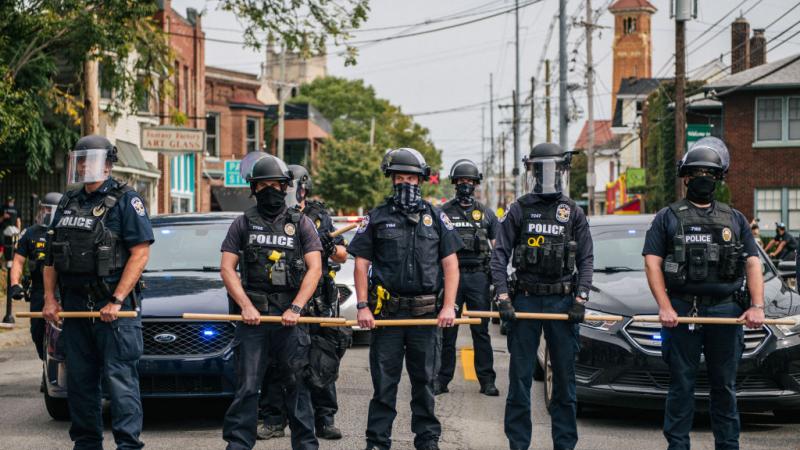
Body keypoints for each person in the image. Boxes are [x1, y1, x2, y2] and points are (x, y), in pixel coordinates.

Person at [642, 136, 765, 450]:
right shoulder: (667, 217)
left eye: (710, 174)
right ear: (686, 177)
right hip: (683, 311)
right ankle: (678, 446)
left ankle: (728, 445)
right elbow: (652, 263)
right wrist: (665, 307)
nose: (703, 179)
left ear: (719, 178)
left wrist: (757, 306)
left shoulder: (735, 219)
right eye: (697, 173)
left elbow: (753, 264)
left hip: (726, 312)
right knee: (681, 386)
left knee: (724, 387)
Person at [42, 135, 153, 449]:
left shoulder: (126, 200)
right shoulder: (68, 201)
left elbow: (140, 253)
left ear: (107, 163)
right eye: (79, 159)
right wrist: (51, 299)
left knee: (120, 383)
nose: (83, 164)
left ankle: (128, 445)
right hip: (76, 309)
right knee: (80, 383)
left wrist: (117, 299)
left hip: (114, 311)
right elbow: (51, 256)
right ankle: (86, 444)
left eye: (89, 158)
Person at [348, 147, 462, 450]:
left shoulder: (436, 217)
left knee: (425, 383)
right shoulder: (377, 217)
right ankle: (377, 441)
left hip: (425, 317)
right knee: (384, 385)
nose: (406, 183)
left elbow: (450, 265)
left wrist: (449, 305)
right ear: (392, 180)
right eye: (400, 178)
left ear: (421, 180)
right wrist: (362, 306)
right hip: (387, 317)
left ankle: (427, 440)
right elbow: (361, 263)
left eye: (411, 178)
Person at [490, 142, 593, 450]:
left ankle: (565, 445)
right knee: (520, 381)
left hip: (562, 302)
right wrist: (504, 297)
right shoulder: (519, 208)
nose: (547, 175)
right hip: (525, 301)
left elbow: (586, 258)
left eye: (553, 169)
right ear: (532, 171)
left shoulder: (573, 211)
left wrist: (581, 299)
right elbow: (499, 255)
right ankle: (518, 444)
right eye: (540, 169)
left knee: (564, 380)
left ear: (562, 171)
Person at [219, 152, 322, 450]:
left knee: (297, 386)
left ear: (286, 187)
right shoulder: (242, 224)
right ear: (253, 189)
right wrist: (246, 307)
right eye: (263, 186)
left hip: (290, 319)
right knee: (248, 387)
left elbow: (315, 268)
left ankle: (305, 445)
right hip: (254, 320)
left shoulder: (300, 224)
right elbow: (227, 268)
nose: (270, 191)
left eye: (276, 185)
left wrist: (296, 307)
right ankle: (238, 445)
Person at [258, 164, 349, 441]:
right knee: (276, 365)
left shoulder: (319, 215)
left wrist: (329, 247)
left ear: (302, 188)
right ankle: (274, 421)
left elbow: (343, 255)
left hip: (316, 302)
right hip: (282, 300)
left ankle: (324, 419)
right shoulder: (270, 216)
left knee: (320, 362)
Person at [435, 158, 499, 397]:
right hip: (451, 278)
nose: (465, 184)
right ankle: (441, 380)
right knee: (447, 330)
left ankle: (487, 380)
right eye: (461, 180)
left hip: (478, 277)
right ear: (454, 183)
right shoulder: (443, 212)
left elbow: (498, 247)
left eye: (469, 181)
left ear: (475, 184)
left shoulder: (486, 213)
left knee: (481, 332)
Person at [9, 192, 62, 360]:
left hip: (63, 290)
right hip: (38, 290)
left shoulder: (66, 232)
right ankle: (45, 362)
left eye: (50, 209)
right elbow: (18, 261)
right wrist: (15, 284)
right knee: (37, 332)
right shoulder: (30, 233)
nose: (46, 212)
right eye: (44, 208)